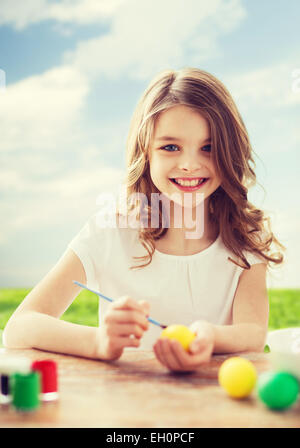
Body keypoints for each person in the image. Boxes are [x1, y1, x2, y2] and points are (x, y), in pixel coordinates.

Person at [3, 68, 285, 372]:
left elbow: (253, 335)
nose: (189, 164)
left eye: (209, 147)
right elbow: (20, 327)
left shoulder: (244, 237)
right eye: (170, 147)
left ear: (231, 152)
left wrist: (210, 337)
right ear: (146, 153)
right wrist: (99, 342)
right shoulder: (110, 232)